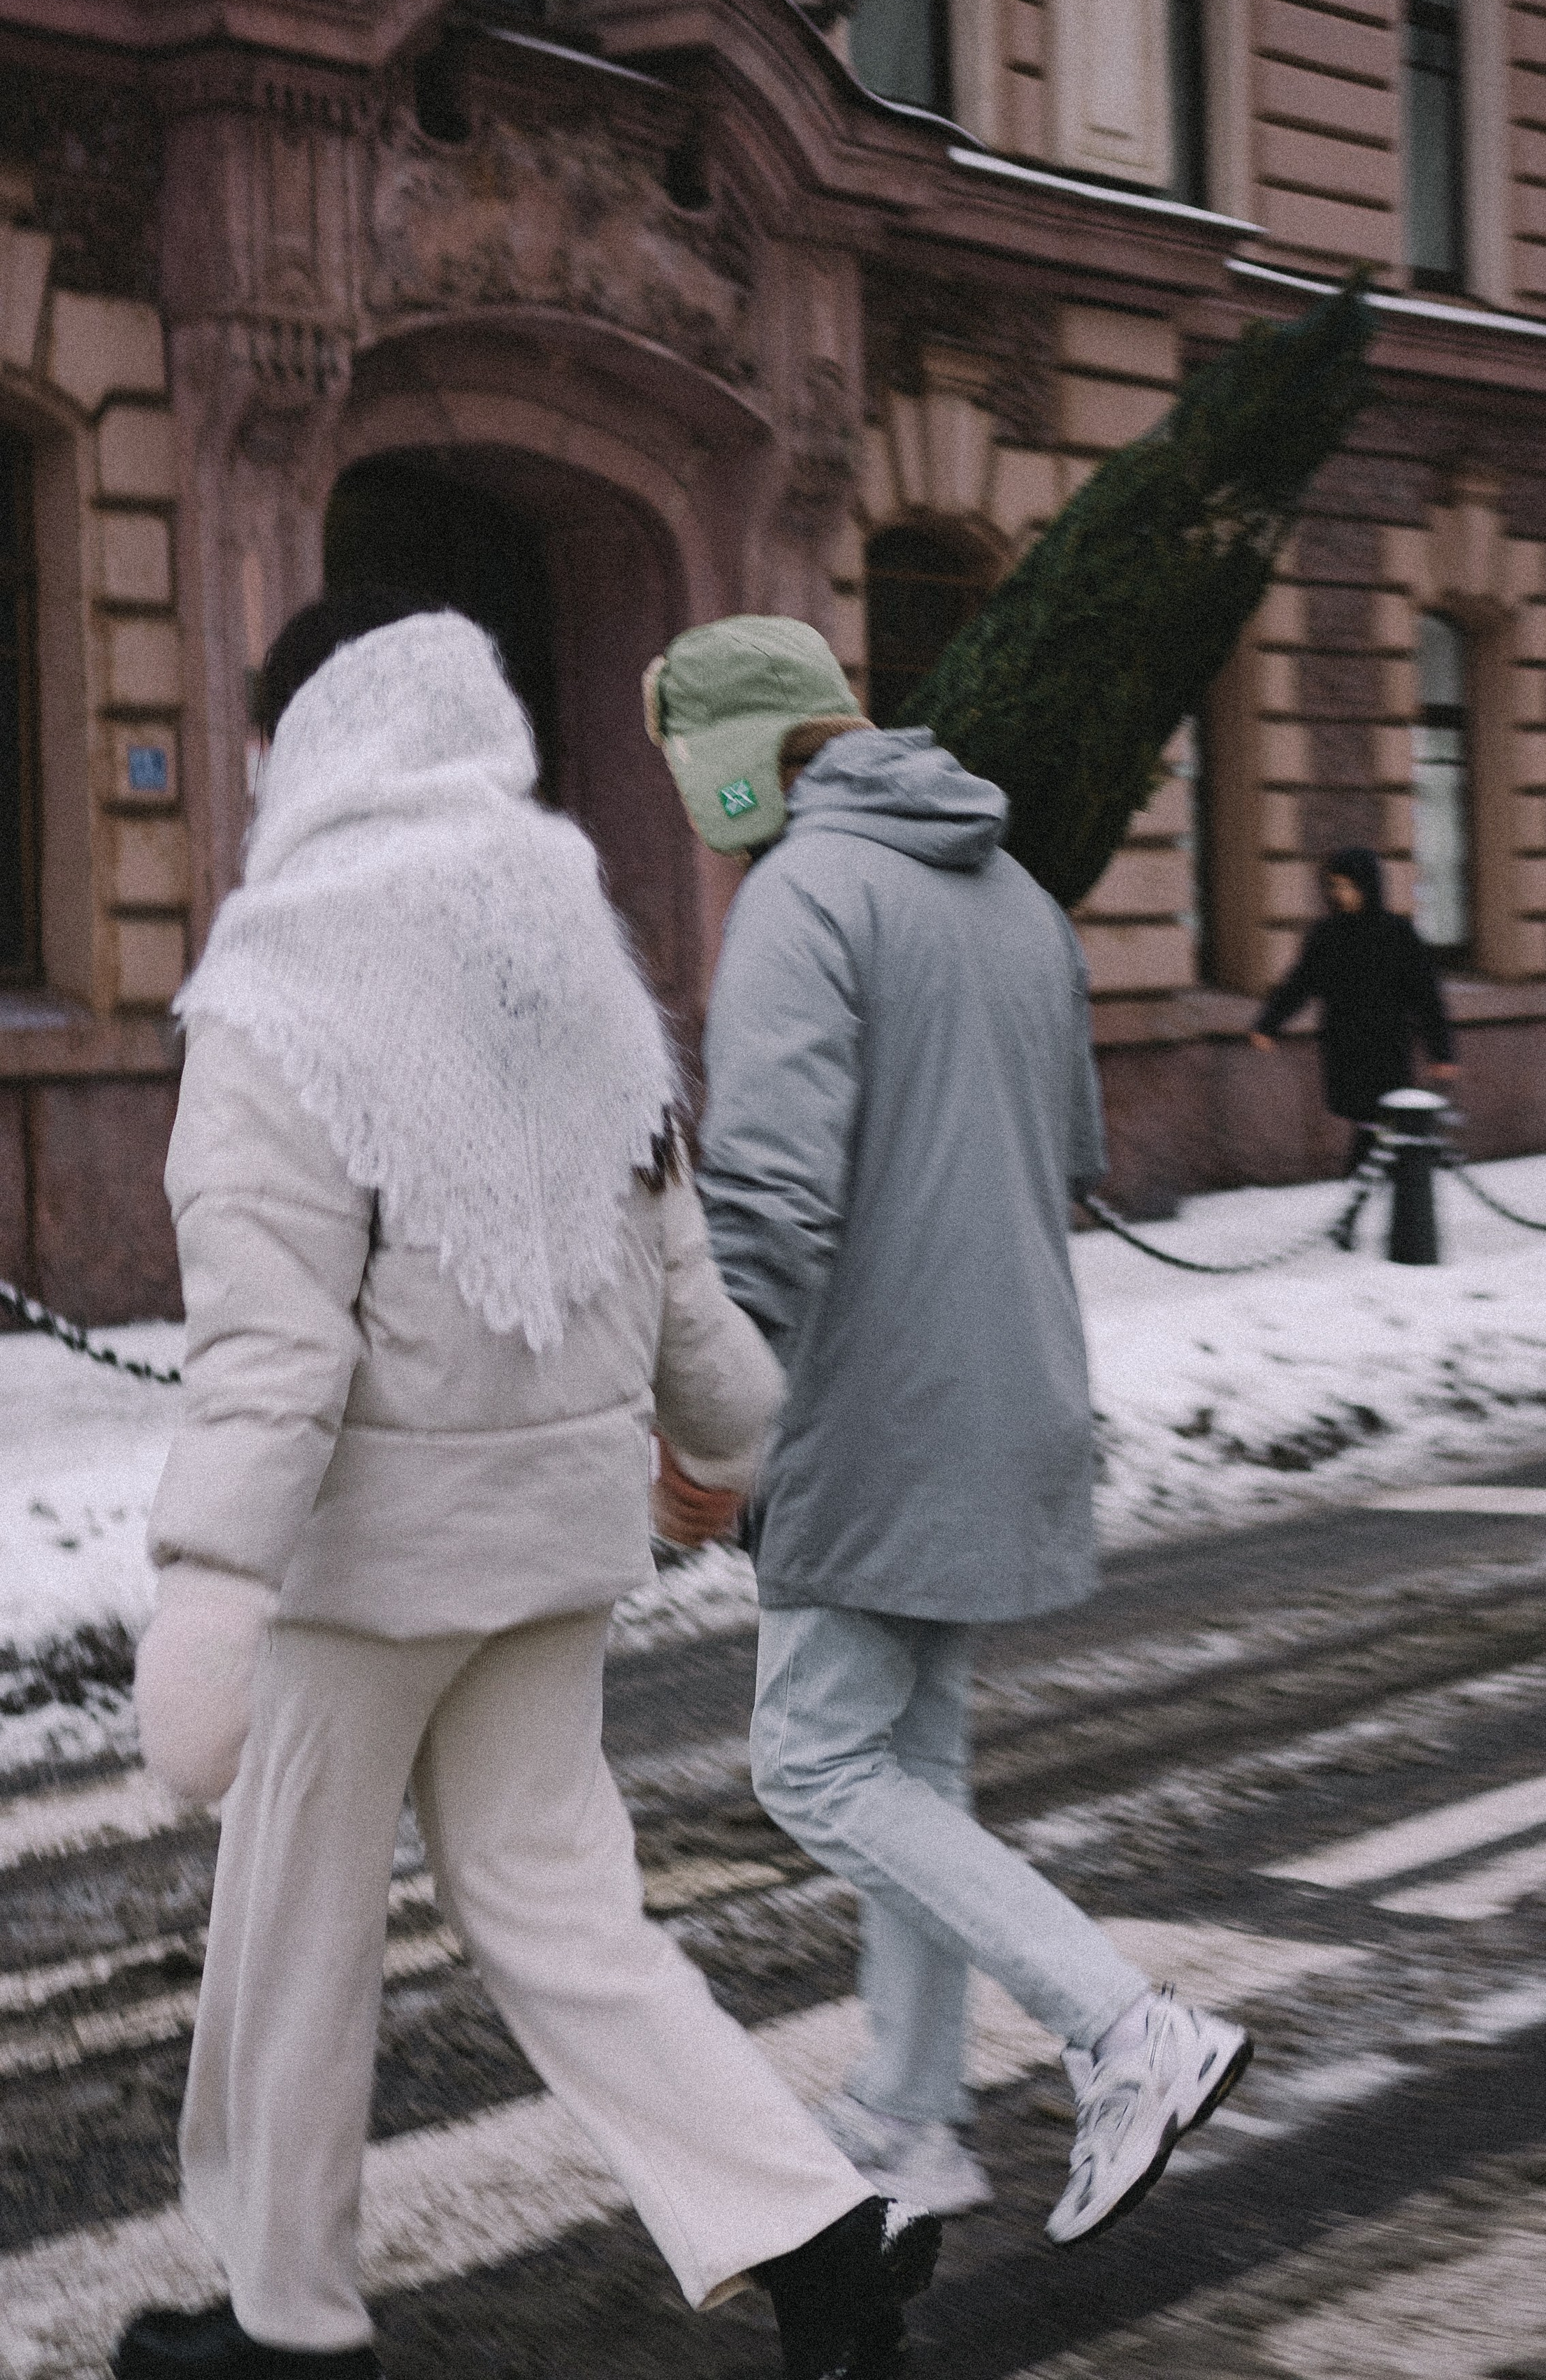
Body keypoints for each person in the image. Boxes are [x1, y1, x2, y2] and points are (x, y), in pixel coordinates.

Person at [117, 598, 940, 2380]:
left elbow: (271, 1342)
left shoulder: (284, 975)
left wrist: (206, 1584)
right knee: (567, 1915)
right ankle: (809, 2227)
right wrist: (724, 1429)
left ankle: (289, 2319)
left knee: (294, 1945)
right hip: (556, 1545)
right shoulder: (567, 935)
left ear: (309, 742)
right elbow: (666, 1232)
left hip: (365, 1568)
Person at [645, 614, 1252, 2243]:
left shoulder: (801, 896)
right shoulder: (1016, 899)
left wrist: (705, 1430)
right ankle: (907, 2118)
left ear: (734, 760)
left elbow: (765, 1204)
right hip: (1012, 1390)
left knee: (814, 1760)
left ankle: (1126, 2026)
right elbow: (1066, 1154)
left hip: (870, 1411)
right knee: (907, 1763)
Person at [1250, 846, 1459, 1171]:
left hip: (1387, 1044)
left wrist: (1442, 1052)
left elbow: (1427, 998)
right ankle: (1370, 1187)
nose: (1341, 894)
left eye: (1348, 886)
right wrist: (1268, 1024)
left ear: (1368, 886)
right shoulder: (1328, 934)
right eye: (1335, 886)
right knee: (1369, 1122)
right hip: (1344, 1044)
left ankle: (1365, 1191)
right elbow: (1300, 984)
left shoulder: (1397, 934)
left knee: (1379, 1122)